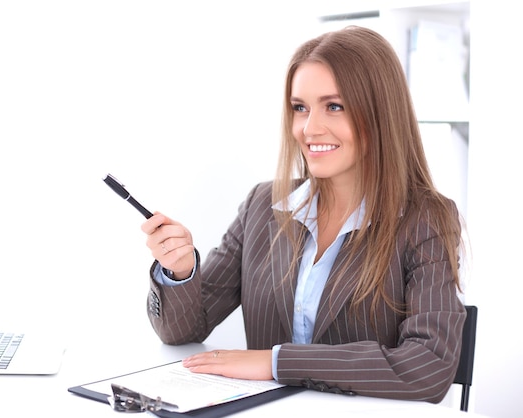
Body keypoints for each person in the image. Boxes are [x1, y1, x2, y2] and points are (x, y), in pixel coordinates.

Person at [140, 25, 466, 403]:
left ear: (380, 113)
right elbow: (183, 330)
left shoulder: (425, 220)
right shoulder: (263, 205)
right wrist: (179, 271)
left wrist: (278, 362)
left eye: (334, 106)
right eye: (300, 108)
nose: (309, 128)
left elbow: (428, 367)